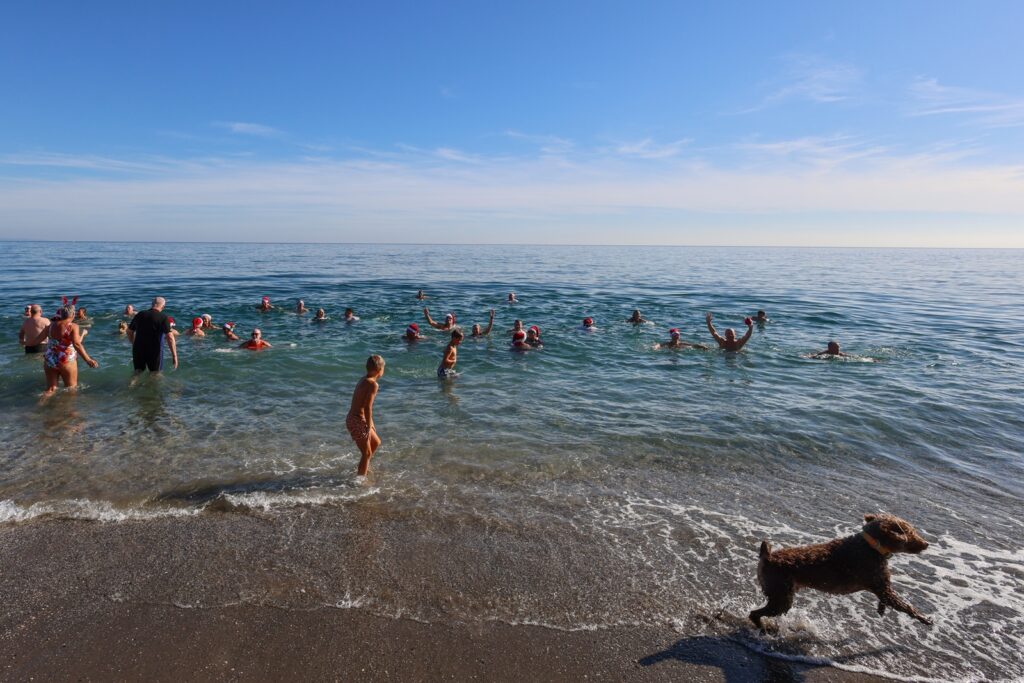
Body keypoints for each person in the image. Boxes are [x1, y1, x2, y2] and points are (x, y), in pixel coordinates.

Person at [26, 297, 99, 396]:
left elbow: (37, 341)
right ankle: (69, 410)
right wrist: (88, 360)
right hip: (66, 360)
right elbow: (77, 344)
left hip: (50, 359)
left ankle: (41, 405)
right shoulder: (73, 326)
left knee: (51, 389)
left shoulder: (50, 326)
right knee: (71, 388)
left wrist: (25, 343)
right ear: (73, 314)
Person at [347, 354, 385, 476]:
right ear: (380, 370)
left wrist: (371, 424)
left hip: (355, 418)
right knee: (366, 453)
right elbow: (368, 407)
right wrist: (369, 426)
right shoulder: (373, 384)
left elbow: (363, 407)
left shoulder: (363, 379)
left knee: (376, 442)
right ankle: (360, 480)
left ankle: (363, 466)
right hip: (357, 420)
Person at [128, 297, 178, 372]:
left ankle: (131, 383)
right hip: (154, 351)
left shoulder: (140, 314)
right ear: (163, 306)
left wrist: (134, 343)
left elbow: (129, 331)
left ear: (152, 304)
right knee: (155, 374)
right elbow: (170, 337)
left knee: (137, 372)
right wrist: (174, 356)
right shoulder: (163, 317)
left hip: (138, 348)